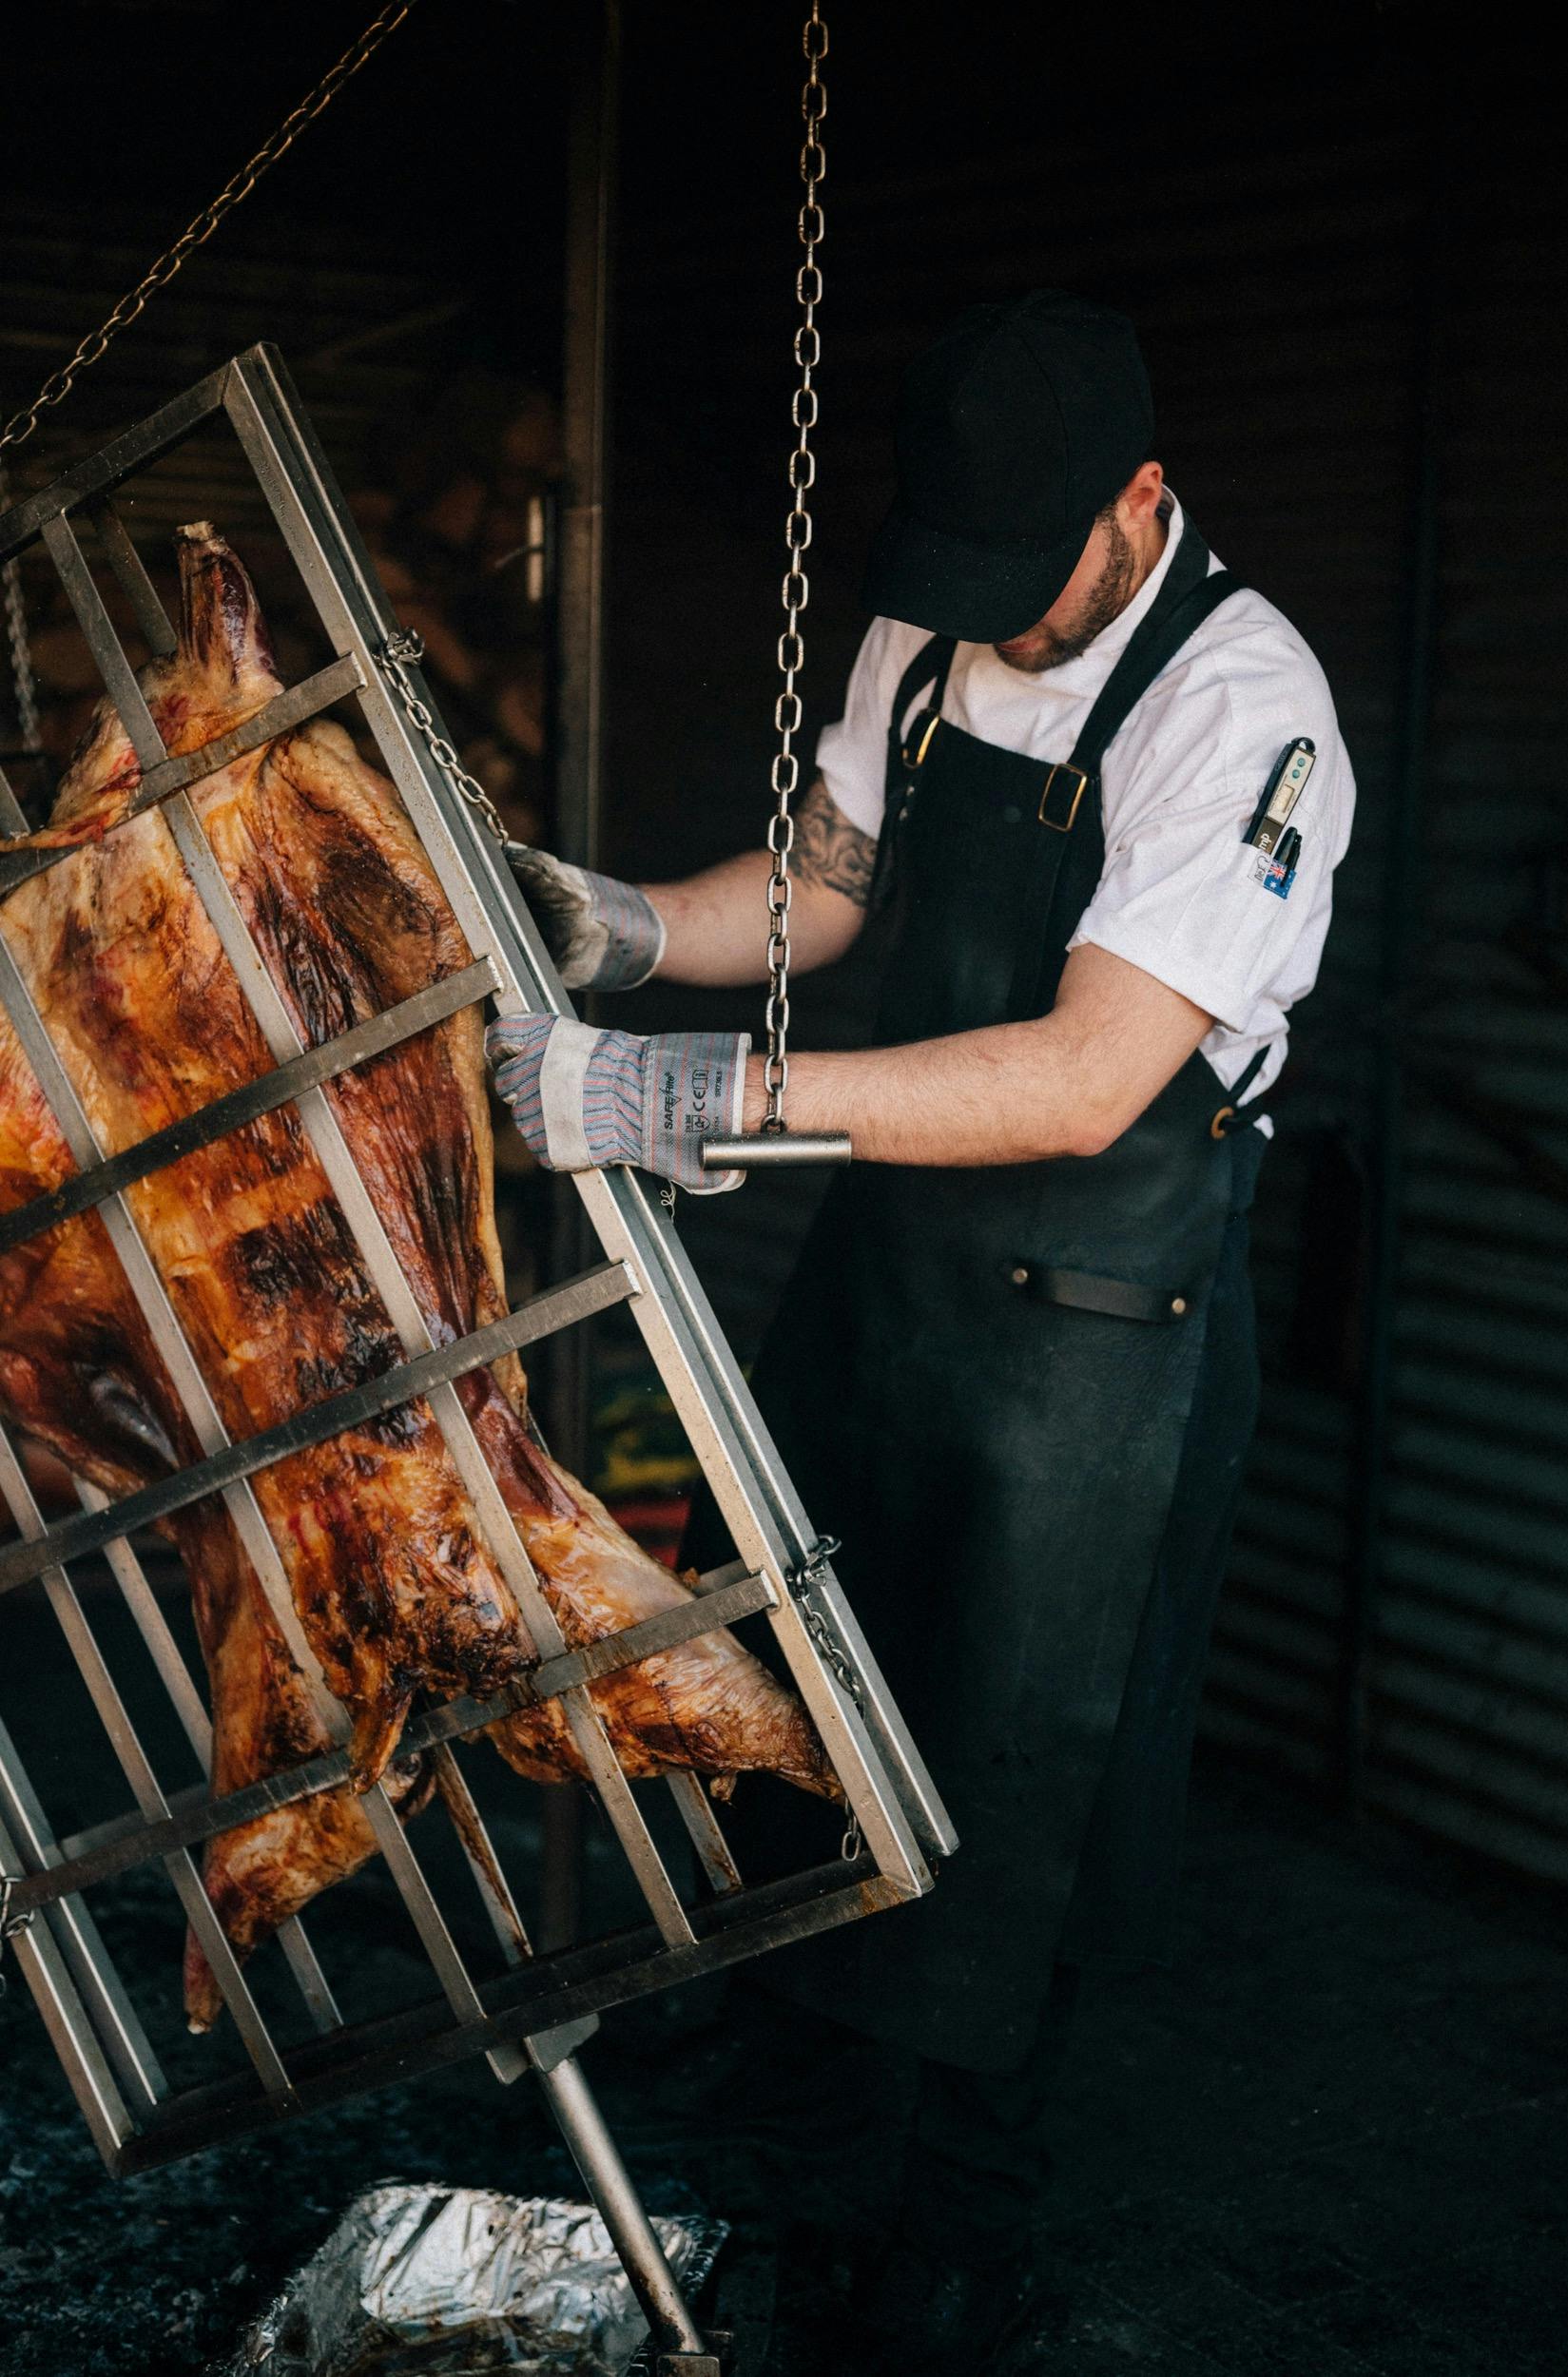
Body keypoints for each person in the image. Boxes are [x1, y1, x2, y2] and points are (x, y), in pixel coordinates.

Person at [489, 289, 1354, 2372]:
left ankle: (964, 2230)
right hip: (891, 1267)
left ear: (1139, 501)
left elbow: (1080, 1079)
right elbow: (824, 895)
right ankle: (792, 2127)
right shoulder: (939, 618)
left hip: (1103, 1324)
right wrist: (613, 925)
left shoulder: (1248, 706)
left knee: (1008, 1782)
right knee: (799, 1682)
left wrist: (703, 1096)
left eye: (1024, 578)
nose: (986, 624)